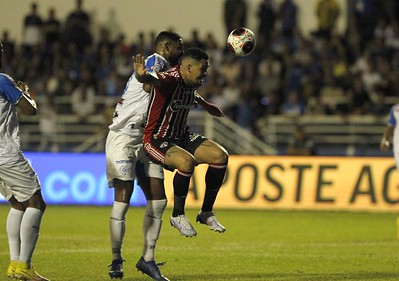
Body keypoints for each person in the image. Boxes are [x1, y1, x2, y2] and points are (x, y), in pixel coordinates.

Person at [133, 47, 229, 238]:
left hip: (182, 137)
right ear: (188, 68)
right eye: (203, 69)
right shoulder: (170, 79)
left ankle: (206, 212)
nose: (206, 73)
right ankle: (177, 215)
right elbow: (154, 80)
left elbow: (191, 94)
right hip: (157, 139)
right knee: (187, 162)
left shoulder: (190, 81)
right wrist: (142, 77)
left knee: (220, 156)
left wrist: (207, 106)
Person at [0, 43, 49, 281]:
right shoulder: (2, 80)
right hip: (5, 154)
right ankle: (25, 266)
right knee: (36, 202)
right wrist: (25, 92)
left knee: (19, 204)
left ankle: (13, 265)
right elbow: (30, 110)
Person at [380, 104, 399, 169]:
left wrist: (385, 140)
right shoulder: (395, 109)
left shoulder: (396, 109)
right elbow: (390, 126)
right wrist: (385, 140)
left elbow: (390, 127)